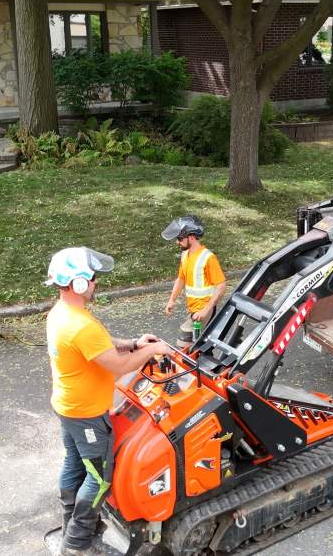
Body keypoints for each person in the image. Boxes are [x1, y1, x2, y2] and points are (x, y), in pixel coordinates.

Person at [44, 246, 171, 554]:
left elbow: (102, 346)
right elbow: (118, 365)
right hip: (86, 414)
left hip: (68, 407)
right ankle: (76, 543)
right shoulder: (80, 325)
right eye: (92, 279)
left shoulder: (63, 313)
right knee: (100, 478)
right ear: (78, 284)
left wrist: (133, 343)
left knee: (74, 463)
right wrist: (153, 351)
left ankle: (69, 525)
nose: (96, 283)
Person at [161, 216, 227, 348]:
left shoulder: (208, 258)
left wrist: (206, 310)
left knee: (185, 342)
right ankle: (208, 367)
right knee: (198, 347)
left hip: (203, 310)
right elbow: (181, 279)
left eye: (179, 239)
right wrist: (172, 300)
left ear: (191, 237)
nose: (177, 242)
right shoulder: (185, 255)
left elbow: (221, 286)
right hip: (193, 309)